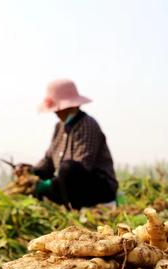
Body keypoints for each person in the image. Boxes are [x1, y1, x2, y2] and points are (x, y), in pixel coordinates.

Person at [15, 79, 118, 209]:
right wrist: (30, 171)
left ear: (73, 106)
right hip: (67, 186)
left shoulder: (87, 125)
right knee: (37, 177)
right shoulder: (59, 127)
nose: (56, 112)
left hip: (97, 188)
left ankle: (76, 208)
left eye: (59, 108)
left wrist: (48, 185)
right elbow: (48, 162)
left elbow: (80, 167)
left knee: (67, 169)